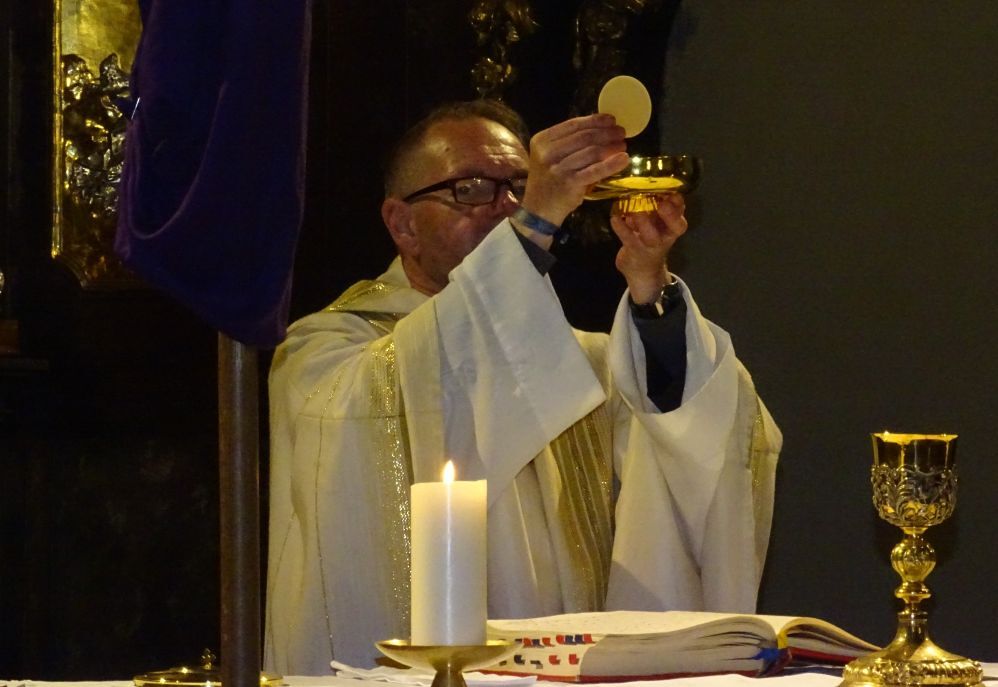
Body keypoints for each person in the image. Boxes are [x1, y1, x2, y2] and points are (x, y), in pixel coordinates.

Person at [264, 99, 781, 674]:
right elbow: (399, 396)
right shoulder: (323, 352)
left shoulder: (582, 363)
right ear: (402, 224)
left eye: (519, 186)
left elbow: (697, 440)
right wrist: (534, 223)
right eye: (471, 189)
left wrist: (649, 288)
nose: (507, 206)